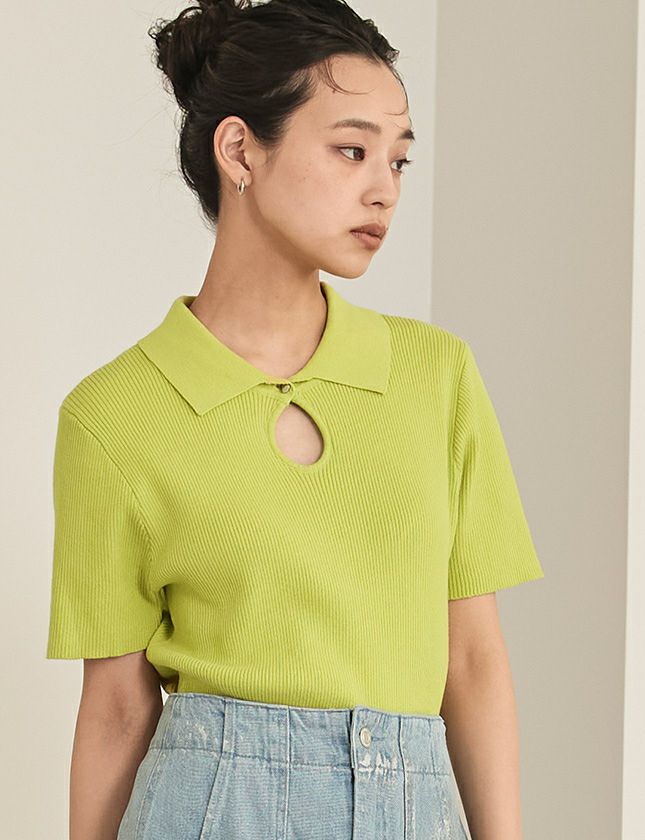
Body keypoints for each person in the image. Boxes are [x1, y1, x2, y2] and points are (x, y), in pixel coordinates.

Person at [45, 1, 545, 838]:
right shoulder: (114, 415)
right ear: (240, 150)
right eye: (352, 150)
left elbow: (472, 661)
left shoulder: (436, 377)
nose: (384, 189)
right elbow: (118, 707)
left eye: (398, 159)